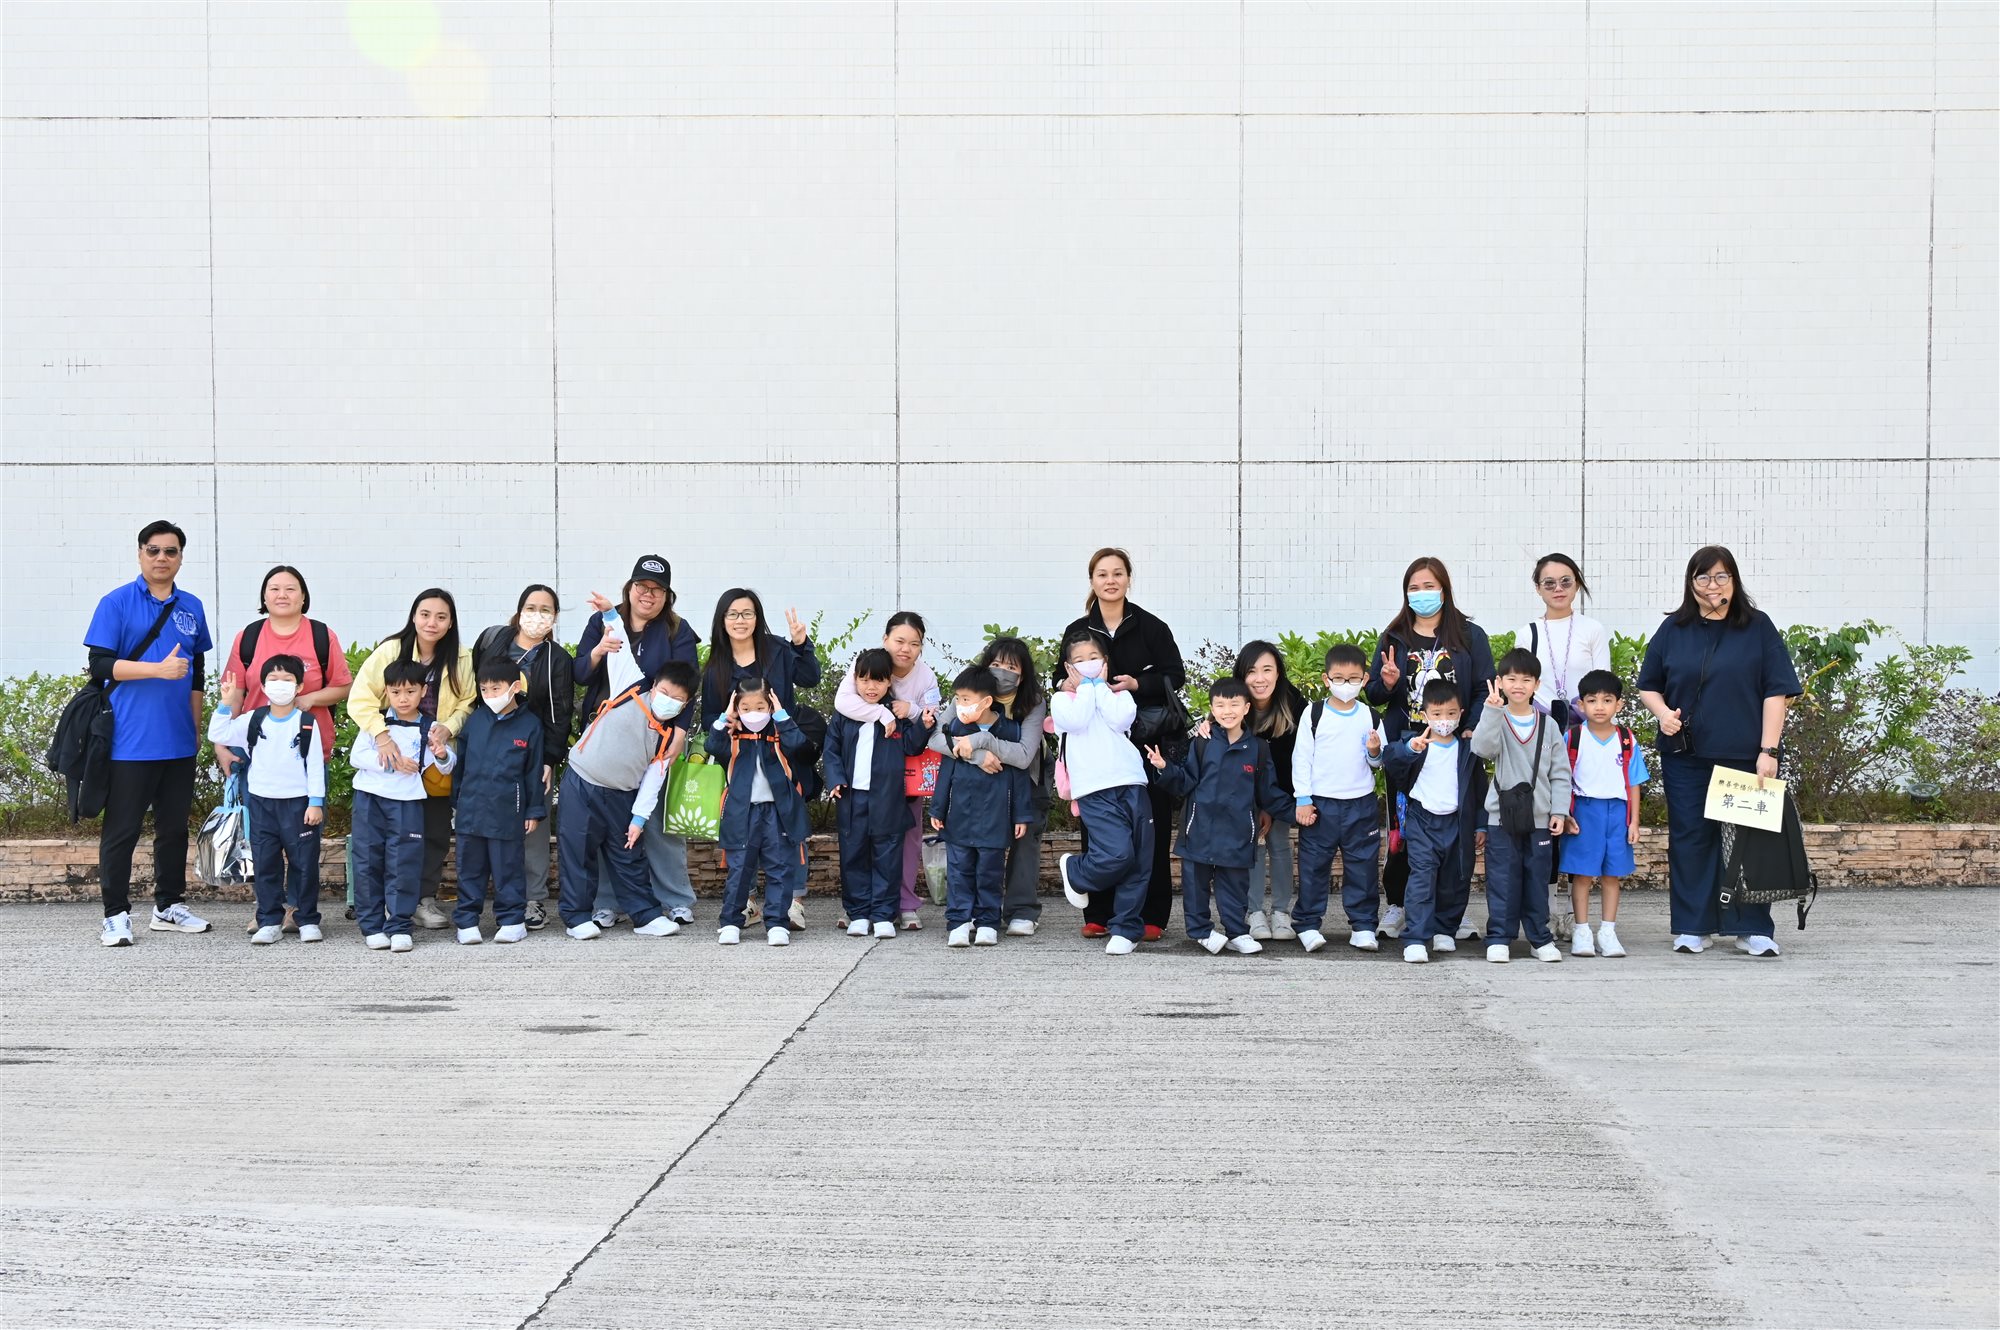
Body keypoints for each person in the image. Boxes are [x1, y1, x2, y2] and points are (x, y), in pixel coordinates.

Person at [1638, 546, 1800, 958]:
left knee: (1748, 841)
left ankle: (1753, 927)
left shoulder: (1758, 627)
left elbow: (1776, 691)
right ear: (1691, 583)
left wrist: (1769, 749)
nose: (1713, 585)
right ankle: (1693, 926)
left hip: (1745, 756)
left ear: (1734, 580)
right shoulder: (1674, 629)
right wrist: (1663, 714)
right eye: (1703, 577)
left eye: (1721, 576)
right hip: (1686, 757)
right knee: (1690, 838)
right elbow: (1648, 685)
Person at [87, 519, 215, 946]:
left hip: (177, 741)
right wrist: (156, 670)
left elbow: (197, 673)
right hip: (129, 740)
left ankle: (168, 906)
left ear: (181, 557)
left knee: (174, 829)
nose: (162, 558)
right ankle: (115, 915)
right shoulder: (116, 602)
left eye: (171, 551)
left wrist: (195, 728)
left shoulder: (192, 606)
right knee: (122, 831)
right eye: (153, 550)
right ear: (140, 553)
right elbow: (100, 666)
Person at [1053, 548, 1186, 941]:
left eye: (1117, 573)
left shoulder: (1151, 627)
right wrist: (1066, 684)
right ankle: (1099, 911)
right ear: (1092, 581)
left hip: (1143, 743)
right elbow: (1058, 676)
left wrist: (1136, 683)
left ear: (1129, 578)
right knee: (1099, 830)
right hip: (1091, 747)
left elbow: (1175, 675)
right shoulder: (1079, 628)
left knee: (1149, 830)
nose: (1110, 580)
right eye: (1102, 574)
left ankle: (1151, 914)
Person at [1366, 557, 1495, 943]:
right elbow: (1373, 693)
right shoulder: (1394, 637)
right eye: (1414, 588)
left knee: (1454, 827)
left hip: (1455, 747)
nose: (1421, 594)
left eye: (1429, 586)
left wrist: (1470, 729)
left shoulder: (1470, 636)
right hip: (1408, 747)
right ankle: (1398, 902)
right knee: (1403, 828)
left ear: (1444, 589)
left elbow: (1483, 688)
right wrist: (1388, 683)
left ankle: (1450, 911)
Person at [220, 565, 353, 934]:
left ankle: (297, 908)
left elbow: (342, 686)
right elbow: (234, 695)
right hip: (257, 756)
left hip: (306, 753)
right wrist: (222, 746)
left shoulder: (321, 636)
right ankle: (268, 909)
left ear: (303, 596)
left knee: (302, 841)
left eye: (290, 588)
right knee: (263, 842)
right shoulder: (248, 638)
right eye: (274, 588)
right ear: (264, 596)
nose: (282, 595)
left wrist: (308, 700)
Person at [555, 596, 691, 942]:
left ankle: (645, 915)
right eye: (664, 691)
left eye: (677, 699)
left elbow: (652, 783)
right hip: (582, 782)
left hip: (622, 797)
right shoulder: (630, 684)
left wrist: (638, 820)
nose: (668, 700)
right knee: (578, 852)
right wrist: (610, 613)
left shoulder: (668, 739)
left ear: (685, 705)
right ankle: (576, 917)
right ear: (654, 685)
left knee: (628, 855)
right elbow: (621, 649)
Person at [347, 589, 474, 931]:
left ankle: (422, 899)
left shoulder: (461, 658)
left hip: (432, 756)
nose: (432, 622)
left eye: (441, 617)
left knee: (432, 831)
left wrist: (448, 728)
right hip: (393, 755)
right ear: (414, 616)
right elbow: (360, 698)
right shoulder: (392, 650)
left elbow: (468, 702)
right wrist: (381, 736)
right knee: (381, 840)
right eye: (425, 614)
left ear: (451, 623)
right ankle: (380, 905)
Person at [1144, 678, 1293, 955]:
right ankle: (1201, 931)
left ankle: (1237, 933)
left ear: (1246, 708)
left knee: (1235, 886)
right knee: (1195, 886)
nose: (1228, 711)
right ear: (1212, 709)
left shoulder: (1258, 749)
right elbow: (1186, 781)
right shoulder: (1203, 742)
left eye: (1234, 704)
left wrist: (1298, 812)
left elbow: (1268, 793)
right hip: (1199, 830)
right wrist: (1164, 767)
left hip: (1238, 833)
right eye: (1220, 705)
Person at [701, 588, 822, 928]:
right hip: (742, 761)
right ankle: (749, 902)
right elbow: (709, 717)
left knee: (789, 826)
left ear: (757, 617)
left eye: (747, 613)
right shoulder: (716, 667)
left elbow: (810, 678)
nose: (740, 620)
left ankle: (793, 902)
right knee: (744, 829)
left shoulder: (778, 650)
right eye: (733, 614)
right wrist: (726, 723)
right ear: (722, 620)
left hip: (782, 754)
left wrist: (801, 644)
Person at [929, 636, 1049, 936]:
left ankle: (1021, 910)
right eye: (996, 664)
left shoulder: (1032, 701)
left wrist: (982, 741)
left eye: (1011, 667)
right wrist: (977, 756)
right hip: (973, 782)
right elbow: (937, 738)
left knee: (1024, 840)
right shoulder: (969, 695)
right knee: (972, 853)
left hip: (1024, 779)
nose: (1002, 672)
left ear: (1023, 673)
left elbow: (1024, 754)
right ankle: (970, 913)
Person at [472, 585, 573, 930]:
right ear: (519, 610)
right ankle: (481, 900)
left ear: (554, 617)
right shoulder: (493, 641)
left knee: (534, 825)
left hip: (532, 751)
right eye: (531, 607)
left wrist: (549, 759)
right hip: (487, 746)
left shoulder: (557, 658)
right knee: (483, 821)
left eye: (546, 609)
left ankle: (532, 899)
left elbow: (560, 713)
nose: (537, 615)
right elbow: (474, 691)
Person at [207, 655, 325, 945]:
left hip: (298, 805)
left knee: (304, 863)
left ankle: (307, 919)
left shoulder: (306, 722)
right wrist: (225, 704)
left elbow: (315, 765)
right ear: (262, 685)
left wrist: (315, 802)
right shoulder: (253, 719)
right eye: (273, 679)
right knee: (265, 863)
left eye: (287, 679)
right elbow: (218, 733)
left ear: (299, 687)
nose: (279, 684)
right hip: (261, 804)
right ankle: (269, 920)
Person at [834, 611, 942, 931]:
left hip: (900, 777)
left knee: (900, 844)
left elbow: (932, 719)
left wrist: (915, 713)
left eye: (914, 643)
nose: (905, 648)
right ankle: (859, 909)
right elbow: (842, 706)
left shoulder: (925, 677)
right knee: (857, 848)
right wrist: (882, 714)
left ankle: (899, 907)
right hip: (860, 783)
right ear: (885, 639)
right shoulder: (866, 666)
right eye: (899, 640)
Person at [1050, 629, 1153, 955]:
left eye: (1093, 658)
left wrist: (1099, 687)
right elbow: (1077, 721)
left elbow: (1121, 719)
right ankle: (1077, 871)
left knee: (1139, 860)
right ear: (1068, 667)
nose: (1088, 664)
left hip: (1132, 781)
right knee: (1117, 854)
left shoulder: (1118, 695)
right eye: (1079, 660)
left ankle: (1126, 929)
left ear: (1105, 661)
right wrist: (1085, 688)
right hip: (1094, 789)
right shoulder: (1062, 700)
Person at [347, 661, 455, 952]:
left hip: (408, 802)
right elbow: (357, 757)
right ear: (386, 692)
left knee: (404, 863)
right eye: (396, 692)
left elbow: (446, 767)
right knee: (367, 861)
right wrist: (393, 764)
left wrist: (442, 755)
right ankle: (372, 926)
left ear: (424, 691)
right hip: (369, 799)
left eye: (410, 691)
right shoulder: (377, 723)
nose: (403, 698)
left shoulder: (430, 727)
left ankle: (399, 926)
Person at [1470, 653, 1570, 964]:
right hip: (1502, 816)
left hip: (1539, 818)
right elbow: (1481, 749)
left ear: (1536, 685)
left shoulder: (1549, 725)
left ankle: (1540, 939)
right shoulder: (1496, 718)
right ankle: (1499, 937)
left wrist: (1559, 811)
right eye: (1511, 679)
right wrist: (1490, 711)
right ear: (1500, 682)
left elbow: (1560, 772)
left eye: (1526, 679)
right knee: (1502, 878)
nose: (1518, 685)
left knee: (1537, 880)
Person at [1291, 643, 1388, 951]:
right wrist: (1303, 798)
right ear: (1326, 679)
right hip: (1321, 805)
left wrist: (1374, 751)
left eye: (1354, 678)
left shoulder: (1371, 717)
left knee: (1363, 867)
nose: (1346, 685)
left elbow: (1378, 762)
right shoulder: (1314, 713)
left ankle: (1363, 926)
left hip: (1361, 804)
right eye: (1339, 678)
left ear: (1365, 679)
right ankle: (1307, 924)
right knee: (1313, 867)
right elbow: (1301, 758)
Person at [449, 654, 548, 945]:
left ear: (515, 687)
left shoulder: (530, 725)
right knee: (470, 869)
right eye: (484, 689)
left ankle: (512, 920)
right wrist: (456, 802)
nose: (490, 694)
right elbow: (461, 765)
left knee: (508, 869)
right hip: (470, 810)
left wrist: (533, 811)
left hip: (508, 811)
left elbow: (533, 772)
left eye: (496, 688)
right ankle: (467, 922)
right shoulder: (476, 720)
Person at [708, 677, 813, 947]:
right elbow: (712, 746)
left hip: (777, 812)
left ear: (770, 706)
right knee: (739, 870)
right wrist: (726, 716)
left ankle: (777, 924)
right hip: (742, 813)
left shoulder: (779, 734)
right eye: (745, 708)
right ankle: (730, 923)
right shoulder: (732, 735)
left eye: (760, 707)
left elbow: (800, 746)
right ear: (737, 707)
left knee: (780, 868)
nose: (753, 713)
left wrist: (782, 716)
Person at [1380, 679, 1479, 964]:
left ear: (1460, 713)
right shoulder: (1416, 743)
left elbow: (1478, 789)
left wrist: (1481, 825)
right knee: (1421, 879)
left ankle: (1445, 930)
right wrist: (1410, 749)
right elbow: (1390, 760)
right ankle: (1416, 938)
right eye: (1437, 714)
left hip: (1456, 822)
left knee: (1454, 878)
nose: (1444, 720)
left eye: (1451, 713)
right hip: (1422, 821)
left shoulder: (1467, 749)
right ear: (1425, 715)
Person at [1562, 669, 1647, 959]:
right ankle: (1582, 930)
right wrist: (1565, 814)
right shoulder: (1573, 737)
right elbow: (1561, 779)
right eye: (1592, 700)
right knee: (1583, 875)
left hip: (1618, 813)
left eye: (1607, 700)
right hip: (1584, 812)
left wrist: (1634, 821)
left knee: (1612, 875)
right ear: (1581, 705)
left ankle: (1608, 931)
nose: (1599, 707)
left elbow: (1634, 782)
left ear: (1619, 704)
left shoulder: (1626, 739)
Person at [1230, 641, 1305, 940]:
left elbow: (1296, 761)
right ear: (1241, 675)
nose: (1259, 679)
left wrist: (1274, 806)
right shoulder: (1235, 705)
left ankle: (1281, 911)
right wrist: (1257, 805)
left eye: (1267, 670)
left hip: (1283, 792)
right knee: (1255, 845)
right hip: (1245, 794)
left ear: (1278, 673)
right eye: (1251, 671)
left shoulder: (1294, 705)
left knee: (1280, 844)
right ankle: (1254, 911)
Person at [1518, 554, 1611, 731]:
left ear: (1577, 584)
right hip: (1539, 728)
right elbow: (1521, 687)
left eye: (1566, 581)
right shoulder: (1527, 634)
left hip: (1587, 726)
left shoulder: (1593, 629)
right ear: (1538, 588)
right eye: (1549, 583)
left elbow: (1605, 685)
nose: (1558, 588)